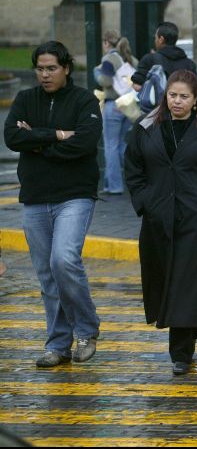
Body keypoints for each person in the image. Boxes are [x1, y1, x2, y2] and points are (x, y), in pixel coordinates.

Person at [124, 69, 197, 375]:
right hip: (157, 216)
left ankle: (181, 352)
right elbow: (132, 167)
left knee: (186, 280)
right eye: (173, 95)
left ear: (196, 99)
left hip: (193, 217)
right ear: (165, 96)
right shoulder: (146, 126)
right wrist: (144, 202)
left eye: (184, 96)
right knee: (164, 277)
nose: (178, 101)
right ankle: (192, 325)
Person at [3, 41, 102, 367]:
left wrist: (37, 141)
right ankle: (58, 344)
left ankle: (86, 329)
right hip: (34, 198)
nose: (45, 74)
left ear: (66, 68)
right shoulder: (25, 99)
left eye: (51, 68)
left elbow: (85, 144)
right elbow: (12, 137)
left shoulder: (84, 100)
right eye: (40, 69)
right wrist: (58, 135)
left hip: (74, 196)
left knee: (64, 260)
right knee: (47, 276)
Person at [130, 21, 197, 112]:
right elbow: (196, 89)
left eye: (156, 38)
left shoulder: (150, 60)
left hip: (156, 114)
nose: (155, 41)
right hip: (183, 113)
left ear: (161, 39)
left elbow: (137, 86)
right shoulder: (189, 63)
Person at [94, 29, 138, 195]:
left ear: (106, 43)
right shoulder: (130, 59)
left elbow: (105, 81)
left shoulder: (108, 59)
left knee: (111, 145)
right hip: (129, 105)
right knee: (121, 144)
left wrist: (96, 73)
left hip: (113, 105)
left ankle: (114, 186)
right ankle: (138, 175)